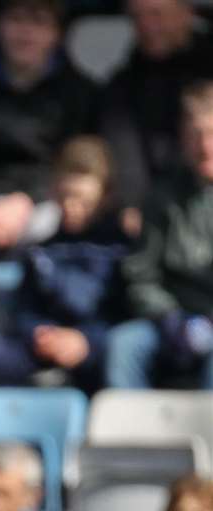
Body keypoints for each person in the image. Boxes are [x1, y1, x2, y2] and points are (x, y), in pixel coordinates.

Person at [0, 137, 127, 393]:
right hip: (42, 345)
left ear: (105, 196)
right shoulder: (42, 250)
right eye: (64, 196)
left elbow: (121, 313)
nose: (71, 207)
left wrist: (86, 341)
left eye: (82, 200)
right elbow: (24, 310)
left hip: (96, 349)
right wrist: (39, 333)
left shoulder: (117, 250)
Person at [0, 0, 100, 254]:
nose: (26, 32)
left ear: (57, 33)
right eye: (16, 19)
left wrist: (26, 201)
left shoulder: (80, 93)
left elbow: (73, 162)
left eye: (39, 21)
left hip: (47, 201)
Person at [106, 82, 213, 391]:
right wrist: (168, 317)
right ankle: (128, 438)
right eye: (196, 135)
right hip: (174, 318)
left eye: (211, 133)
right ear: (183, 138)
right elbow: (142, 273)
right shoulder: (161, 197)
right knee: (123, 345)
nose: (205, 146)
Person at [98, 0, 213, 224]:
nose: (147, 26)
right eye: (137, 17)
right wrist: (131, 201)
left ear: (187, 14)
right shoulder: (121, 85)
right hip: (151, 204)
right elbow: (121, 147)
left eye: (157, 15)